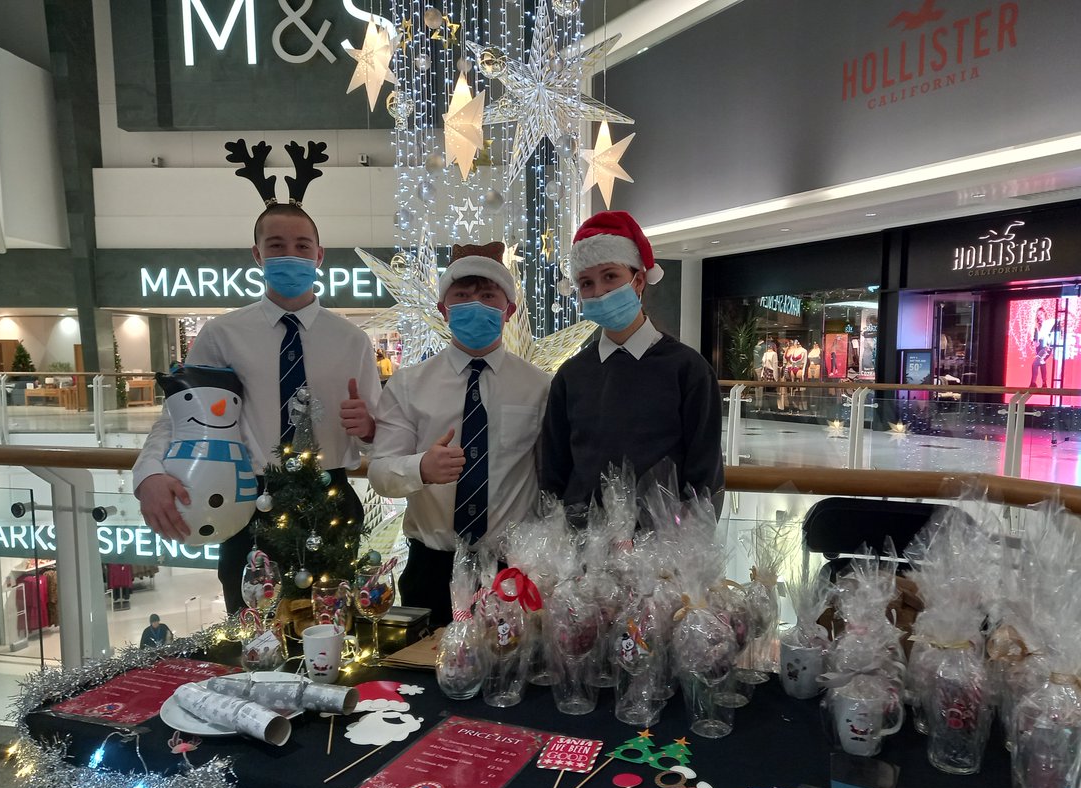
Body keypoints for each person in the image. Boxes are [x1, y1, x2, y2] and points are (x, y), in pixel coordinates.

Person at [134, 145, 381, 615]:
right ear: (257, 254)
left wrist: (369, 429)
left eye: (302, 246)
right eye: (277, 246)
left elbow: (378, 439)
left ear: (320, 255)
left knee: (337, 638)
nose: (291, 255)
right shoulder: (223, 335)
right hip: (248, 503)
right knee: (251, 639)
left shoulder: (352, 341)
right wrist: (147, 474)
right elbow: (180, 418)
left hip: (331, 499)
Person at [368, 243, 550, 626]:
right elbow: (380, 473)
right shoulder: (407, 385)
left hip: (512, 569)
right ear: (443, 309)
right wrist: (421, 468)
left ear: (508, 311)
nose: (475, 304)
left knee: (511, 679)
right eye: (463, 296)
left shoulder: (539, 387)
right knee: (428, 679)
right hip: (432, 566)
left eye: (488, 296)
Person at [540, 210, 725, 515]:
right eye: (586, 283)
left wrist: (686, 545)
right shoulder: (571, 375)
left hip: (662, 552)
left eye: (610, 276)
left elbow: (704, 475)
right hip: (581, 548)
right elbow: (554, 471)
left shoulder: (688, 370)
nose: (599, 292)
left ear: (639, 280)